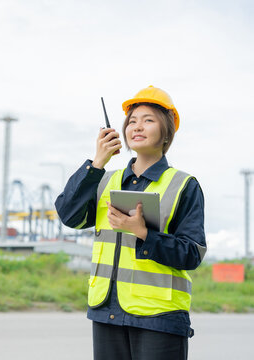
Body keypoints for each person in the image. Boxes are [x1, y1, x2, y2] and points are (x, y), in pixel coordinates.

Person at [55, 85, 206, 360]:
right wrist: (96, 162)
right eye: (132, 121)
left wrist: (144, 233)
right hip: (106, 312)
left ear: (166, 132)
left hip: (159, 317)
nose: (137, 126)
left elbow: (192, 253)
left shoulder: (184, 185)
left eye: (148, 120)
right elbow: (68, 215)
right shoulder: (103, 179)